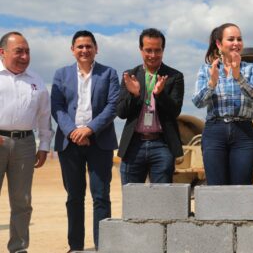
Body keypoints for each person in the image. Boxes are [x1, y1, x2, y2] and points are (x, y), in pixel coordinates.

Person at [51, 30, 119, 252]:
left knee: (101, 196)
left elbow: (112, 106)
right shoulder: (60, 75)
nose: (84, 50)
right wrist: (73, 131)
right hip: (69, 144)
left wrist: (89, 129)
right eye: (79, 46)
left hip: (99, 142)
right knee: (74, 197)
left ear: (96, 48)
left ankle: (103, 246)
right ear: (72, 50)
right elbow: (57, 107)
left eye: (89, 46)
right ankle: (76, 246)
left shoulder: (109, 73)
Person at [192, 23, 253, 185]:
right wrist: (212, 82)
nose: (236, 43)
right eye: (231, 39)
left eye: (239, 39)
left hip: (244, 133)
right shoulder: (206, 70)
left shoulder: (252, 68)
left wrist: (239, 77)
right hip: (214, 132)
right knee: (216, 187)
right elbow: (197, 102)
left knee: (242, 188)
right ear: (219, 44)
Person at [0, 31, 53, 253]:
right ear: (2, 53)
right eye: (18, 51)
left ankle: (19, 248)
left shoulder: (36, 80)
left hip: (25, 144)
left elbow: (44, 116)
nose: (24, 56)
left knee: (22, 201)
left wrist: (43, 147)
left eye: (27, 51)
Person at [117, 28, 184, 184]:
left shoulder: (175, 76)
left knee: (161, 199)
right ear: (141, 50)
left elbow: (175, 111)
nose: (153, 55)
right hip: (133, 145)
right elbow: (121, 112)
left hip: (162, 145)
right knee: (133, 199)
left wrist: (160, 95)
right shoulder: (130, 75)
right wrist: (134, 95)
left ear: (163, 50)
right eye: (148, 50)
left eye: (157, 50)